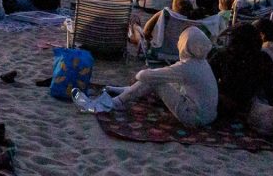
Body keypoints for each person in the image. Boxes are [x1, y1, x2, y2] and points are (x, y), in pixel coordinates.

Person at [74, 27, 218, 128]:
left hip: (194, 118)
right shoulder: (201, 63)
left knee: (154, 80)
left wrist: (139, 75)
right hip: (206, 116)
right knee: (159, 79)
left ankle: (110, 104)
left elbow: (145, 75)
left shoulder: (187, 67)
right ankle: (122, 94)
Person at [209, 23, 270, 120]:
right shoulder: (264, 58)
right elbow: (269, 88)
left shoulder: (222, 57)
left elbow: (209, 84)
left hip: (228, 102)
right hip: (248, 104)